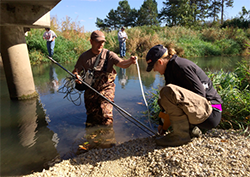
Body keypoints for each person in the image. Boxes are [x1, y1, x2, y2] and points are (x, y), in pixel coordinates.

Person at [146, 44, 223, 147]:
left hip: (211, 112)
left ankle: (180, 137)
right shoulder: (170, 70)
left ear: (160, 62)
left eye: (153, 67)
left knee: (167, 91)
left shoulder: (180, 66)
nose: (154, 70)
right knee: (166, 95)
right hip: (204, 111)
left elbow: (200, 96)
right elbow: (173, 102)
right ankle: (191, 131)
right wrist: (162, 124)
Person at [72, 30, 136, 126]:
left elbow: (122, 64)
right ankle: (92, 138)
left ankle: (109, 138)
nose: (100, 44)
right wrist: (77, 77)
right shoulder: (84, 57)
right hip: (90, 90)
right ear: (91, 41)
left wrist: (130, 61)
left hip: (106, 88)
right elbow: (75, 71)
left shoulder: (109, 55)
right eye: (98, 41)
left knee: (106, 116)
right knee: (92, 118)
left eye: (102, 42)